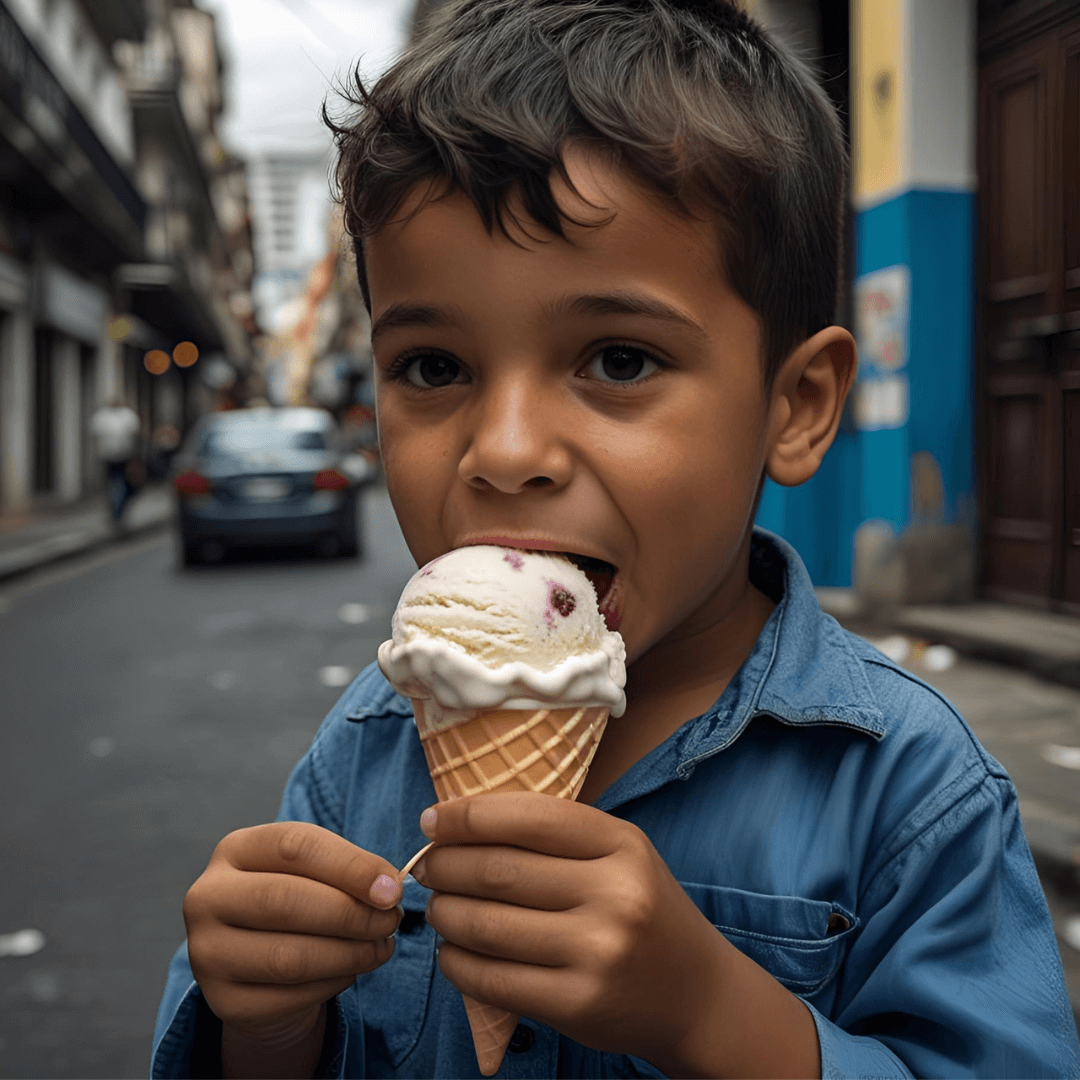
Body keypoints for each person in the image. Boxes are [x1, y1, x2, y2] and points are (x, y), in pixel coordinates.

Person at [152, 1, 1080, 1077]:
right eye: (434, 367)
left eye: (620, 360)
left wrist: (714, 1018)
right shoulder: (359, 754)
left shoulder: (910, 792)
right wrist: (265, 1025)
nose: (502, 451)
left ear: (796, 406)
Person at [89, 396, 141, 525]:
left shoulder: (127, 415)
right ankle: (116, 511)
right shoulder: (102, 416)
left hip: (124, 457)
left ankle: (117, 510)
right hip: (108, 458)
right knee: (114, 484)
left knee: (121, 484)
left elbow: (135, 434)